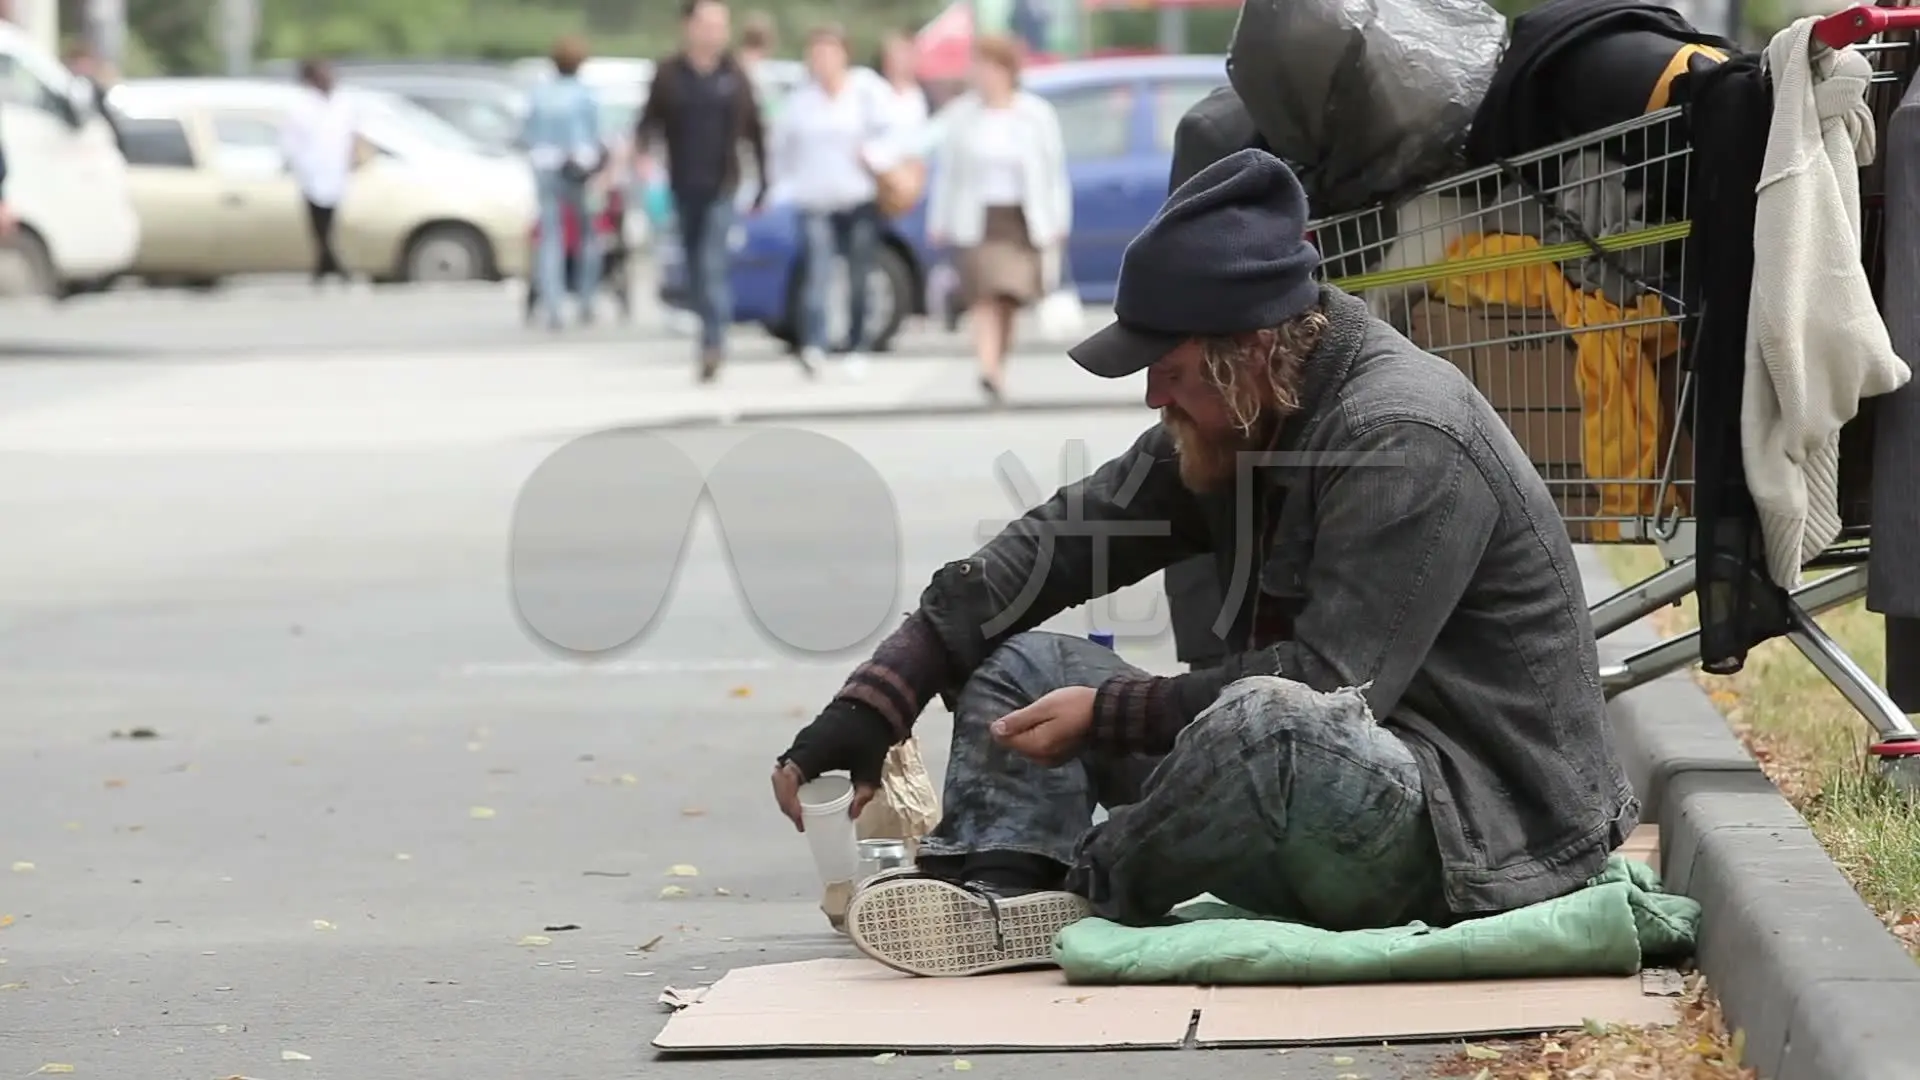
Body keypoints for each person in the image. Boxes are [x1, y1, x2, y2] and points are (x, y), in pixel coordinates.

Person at [770, 150, 1639, 979]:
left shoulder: (1403, 436)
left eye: (1169, 369)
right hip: (1304, 779)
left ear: (1250, 346)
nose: (1152, 394)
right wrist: (882, 693)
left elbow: (1332, 691)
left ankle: (1090, 890)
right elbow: (1060, 543)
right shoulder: (1244, 408)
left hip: (1475, 825)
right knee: (1021, 662)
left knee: (1273, 723)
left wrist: (1111, 714)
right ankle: (1001, 889)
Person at [925, 35, 1071, 405]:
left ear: (1007, 71)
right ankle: (988, 369)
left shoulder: (1035, 114)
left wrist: (1058, 218)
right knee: (985, 297)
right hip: (977, 221)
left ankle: (997, 365)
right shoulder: (962, 116)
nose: (982, 75)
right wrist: (938, 220)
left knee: (1008, 299)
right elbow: (948, 173)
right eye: (978, 67)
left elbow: (1053, 171)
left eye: (990, 67)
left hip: (1021, 220)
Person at [636, 0, 771, 383]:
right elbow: (647, 123)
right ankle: (708, 331)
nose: (715, 32)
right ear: (688, 26)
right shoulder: (669, 74)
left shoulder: (734, 75)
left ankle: (714, 343)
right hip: (683, 184)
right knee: (695, 267)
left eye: (720, 24)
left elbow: (756, 131)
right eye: (707, 24)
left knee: (712, 262)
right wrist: (643, 155)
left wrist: (764, 182)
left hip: (722, 184)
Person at [771, 26, 894, 375]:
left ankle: (858, 343)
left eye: (829, 52)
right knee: (818, 273)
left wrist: (875, 157)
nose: (822, 61)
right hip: (815, 200)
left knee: (859, 275)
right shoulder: (800, 100)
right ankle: (815, 343)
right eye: (816, 53)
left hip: (858, 196)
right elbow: (782, 150)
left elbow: (894, 131)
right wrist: (784, 187)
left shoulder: (865, 90)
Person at [522, 35, 606, 330]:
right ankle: (585, 300)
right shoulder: (585, 94)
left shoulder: (540, 93)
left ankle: (554, 306)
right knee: (588, 235)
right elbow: (595, 134)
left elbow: (527, 131)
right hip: (577, 167)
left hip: (544, 164)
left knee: (550, 237)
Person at [280, 59, 357, 287]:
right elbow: (290, 141)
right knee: (318, 223)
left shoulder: (343, 102)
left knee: (330, 221)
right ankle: (331, 266)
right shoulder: (300, 105)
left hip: (336, 170)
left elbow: (351, 134)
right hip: (311, 171)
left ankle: (324, 267)